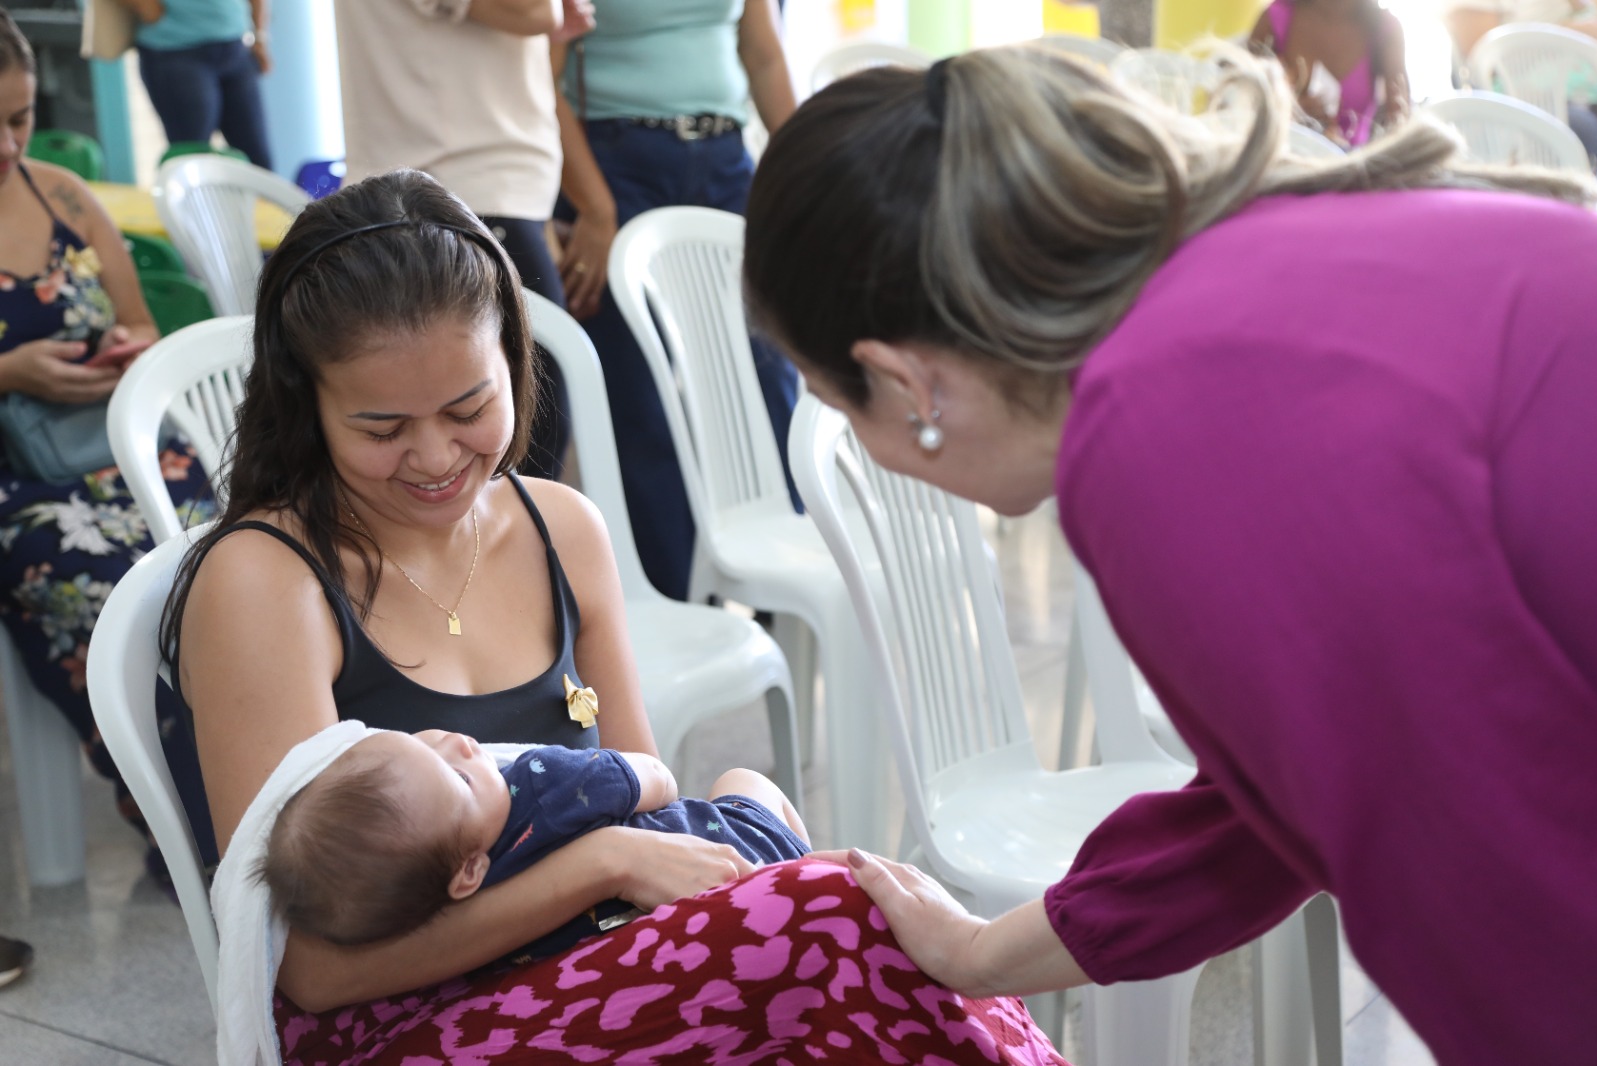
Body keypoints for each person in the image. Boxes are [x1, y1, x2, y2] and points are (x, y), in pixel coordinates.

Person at [742, 44, 1597, 1066]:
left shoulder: (1159, 423)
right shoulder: (1240, 277)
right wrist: (978, 953)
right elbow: (1280, 789)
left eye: (836, 403)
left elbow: (1478, 877)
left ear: (905, 383)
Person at [162, 165, 1063, 1063]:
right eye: (381, 428)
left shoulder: (560, 527)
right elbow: (313, 973)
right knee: (836, 921)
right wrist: (599, 868)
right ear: (306, 406)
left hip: (582, 955)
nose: (434, 455)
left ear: (513, 361)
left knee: (843, 917)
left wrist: (648, 863)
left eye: (469, 407)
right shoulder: (265, 581)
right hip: (403, 1020)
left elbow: (645, 794)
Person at [0, 12, 213, 881]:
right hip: (20, 484)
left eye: (16, 119)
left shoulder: (63, 195)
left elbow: (139, 323)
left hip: (120, 445)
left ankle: (272, 772)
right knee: (88, 580)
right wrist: (12, 371)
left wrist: (124, 349)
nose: (7, 145)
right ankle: (182, 809)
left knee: (220, 560)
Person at [552, 0, 801, 600]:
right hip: (616, 160)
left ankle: (784, 583)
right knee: (640, 404)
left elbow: (762, 53)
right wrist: (594, 204)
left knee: (773, 373)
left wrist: (803, 176)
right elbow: (540, 75)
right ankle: (680, 600)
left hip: (725, 159)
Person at [334, 0, 592, 479]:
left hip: (459, 185)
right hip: (461, 190)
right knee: (511, 464)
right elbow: (536, 12)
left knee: (498, 458)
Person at [262, 727, 810, 951]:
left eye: (421, 743)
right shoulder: (545, 783)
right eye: (456, 777)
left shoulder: (457, 897)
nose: (459, 744)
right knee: (743, 782)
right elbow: (658, 779)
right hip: (729, 849)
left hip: (669, 926)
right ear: (467, 872)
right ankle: (805, 862)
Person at [122, 0, 274, 169]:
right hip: (175, 50)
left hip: (235, 45)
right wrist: (146, 7)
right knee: (192, 163)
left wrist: (260, 35)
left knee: (259, 163)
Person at [1443, 0, 1597, 161]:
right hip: (1520, 98)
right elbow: (1481, 56)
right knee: (1582, 127)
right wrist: (1568, 33)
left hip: (1578, 86)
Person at [1247, 0, 1408, 146]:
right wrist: (1290, 110)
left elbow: (1401, 123)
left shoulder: (1384, 30)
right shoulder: (1276, 16)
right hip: (1282, 152)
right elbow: (1240, 100)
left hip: (1352, 169)